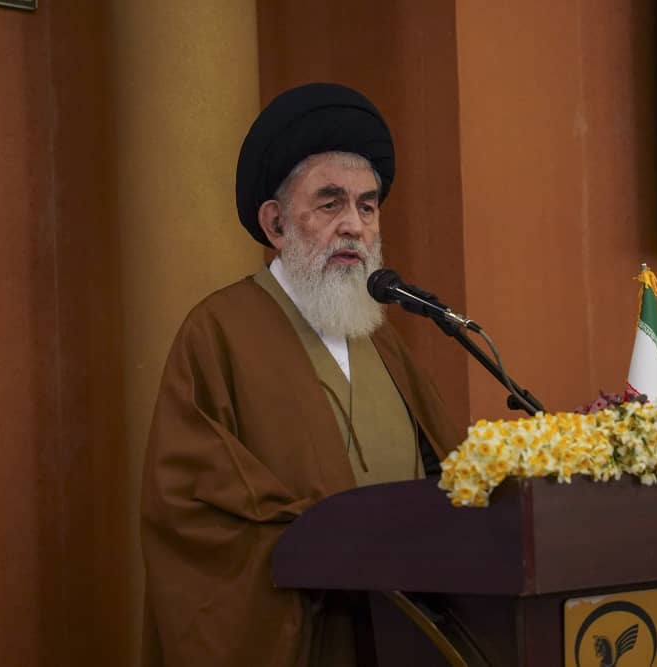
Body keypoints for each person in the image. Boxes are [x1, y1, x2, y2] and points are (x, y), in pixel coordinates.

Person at [140, 83, 462, 666]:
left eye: (367, 206)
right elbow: (191, 509)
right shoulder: (219, 331)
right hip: (307, 635)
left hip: (405, 632)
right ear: (276, 224)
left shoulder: (382, 339)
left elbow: (443, 468)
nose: (354, 226)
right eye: (331, 204)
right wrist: (329, 545)